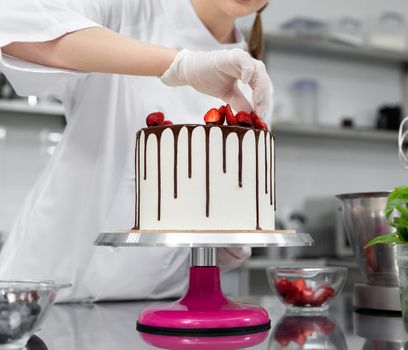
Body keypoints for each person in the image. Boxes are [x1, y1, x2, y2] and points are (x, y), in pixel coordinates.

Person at [0, 0, 271, 302]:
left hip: (160, 308)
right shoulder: (131, 9)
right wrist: (178, 64)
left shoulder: (249, 77)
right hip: (48, 296)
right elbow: (14, 21)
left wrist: (223, 239)